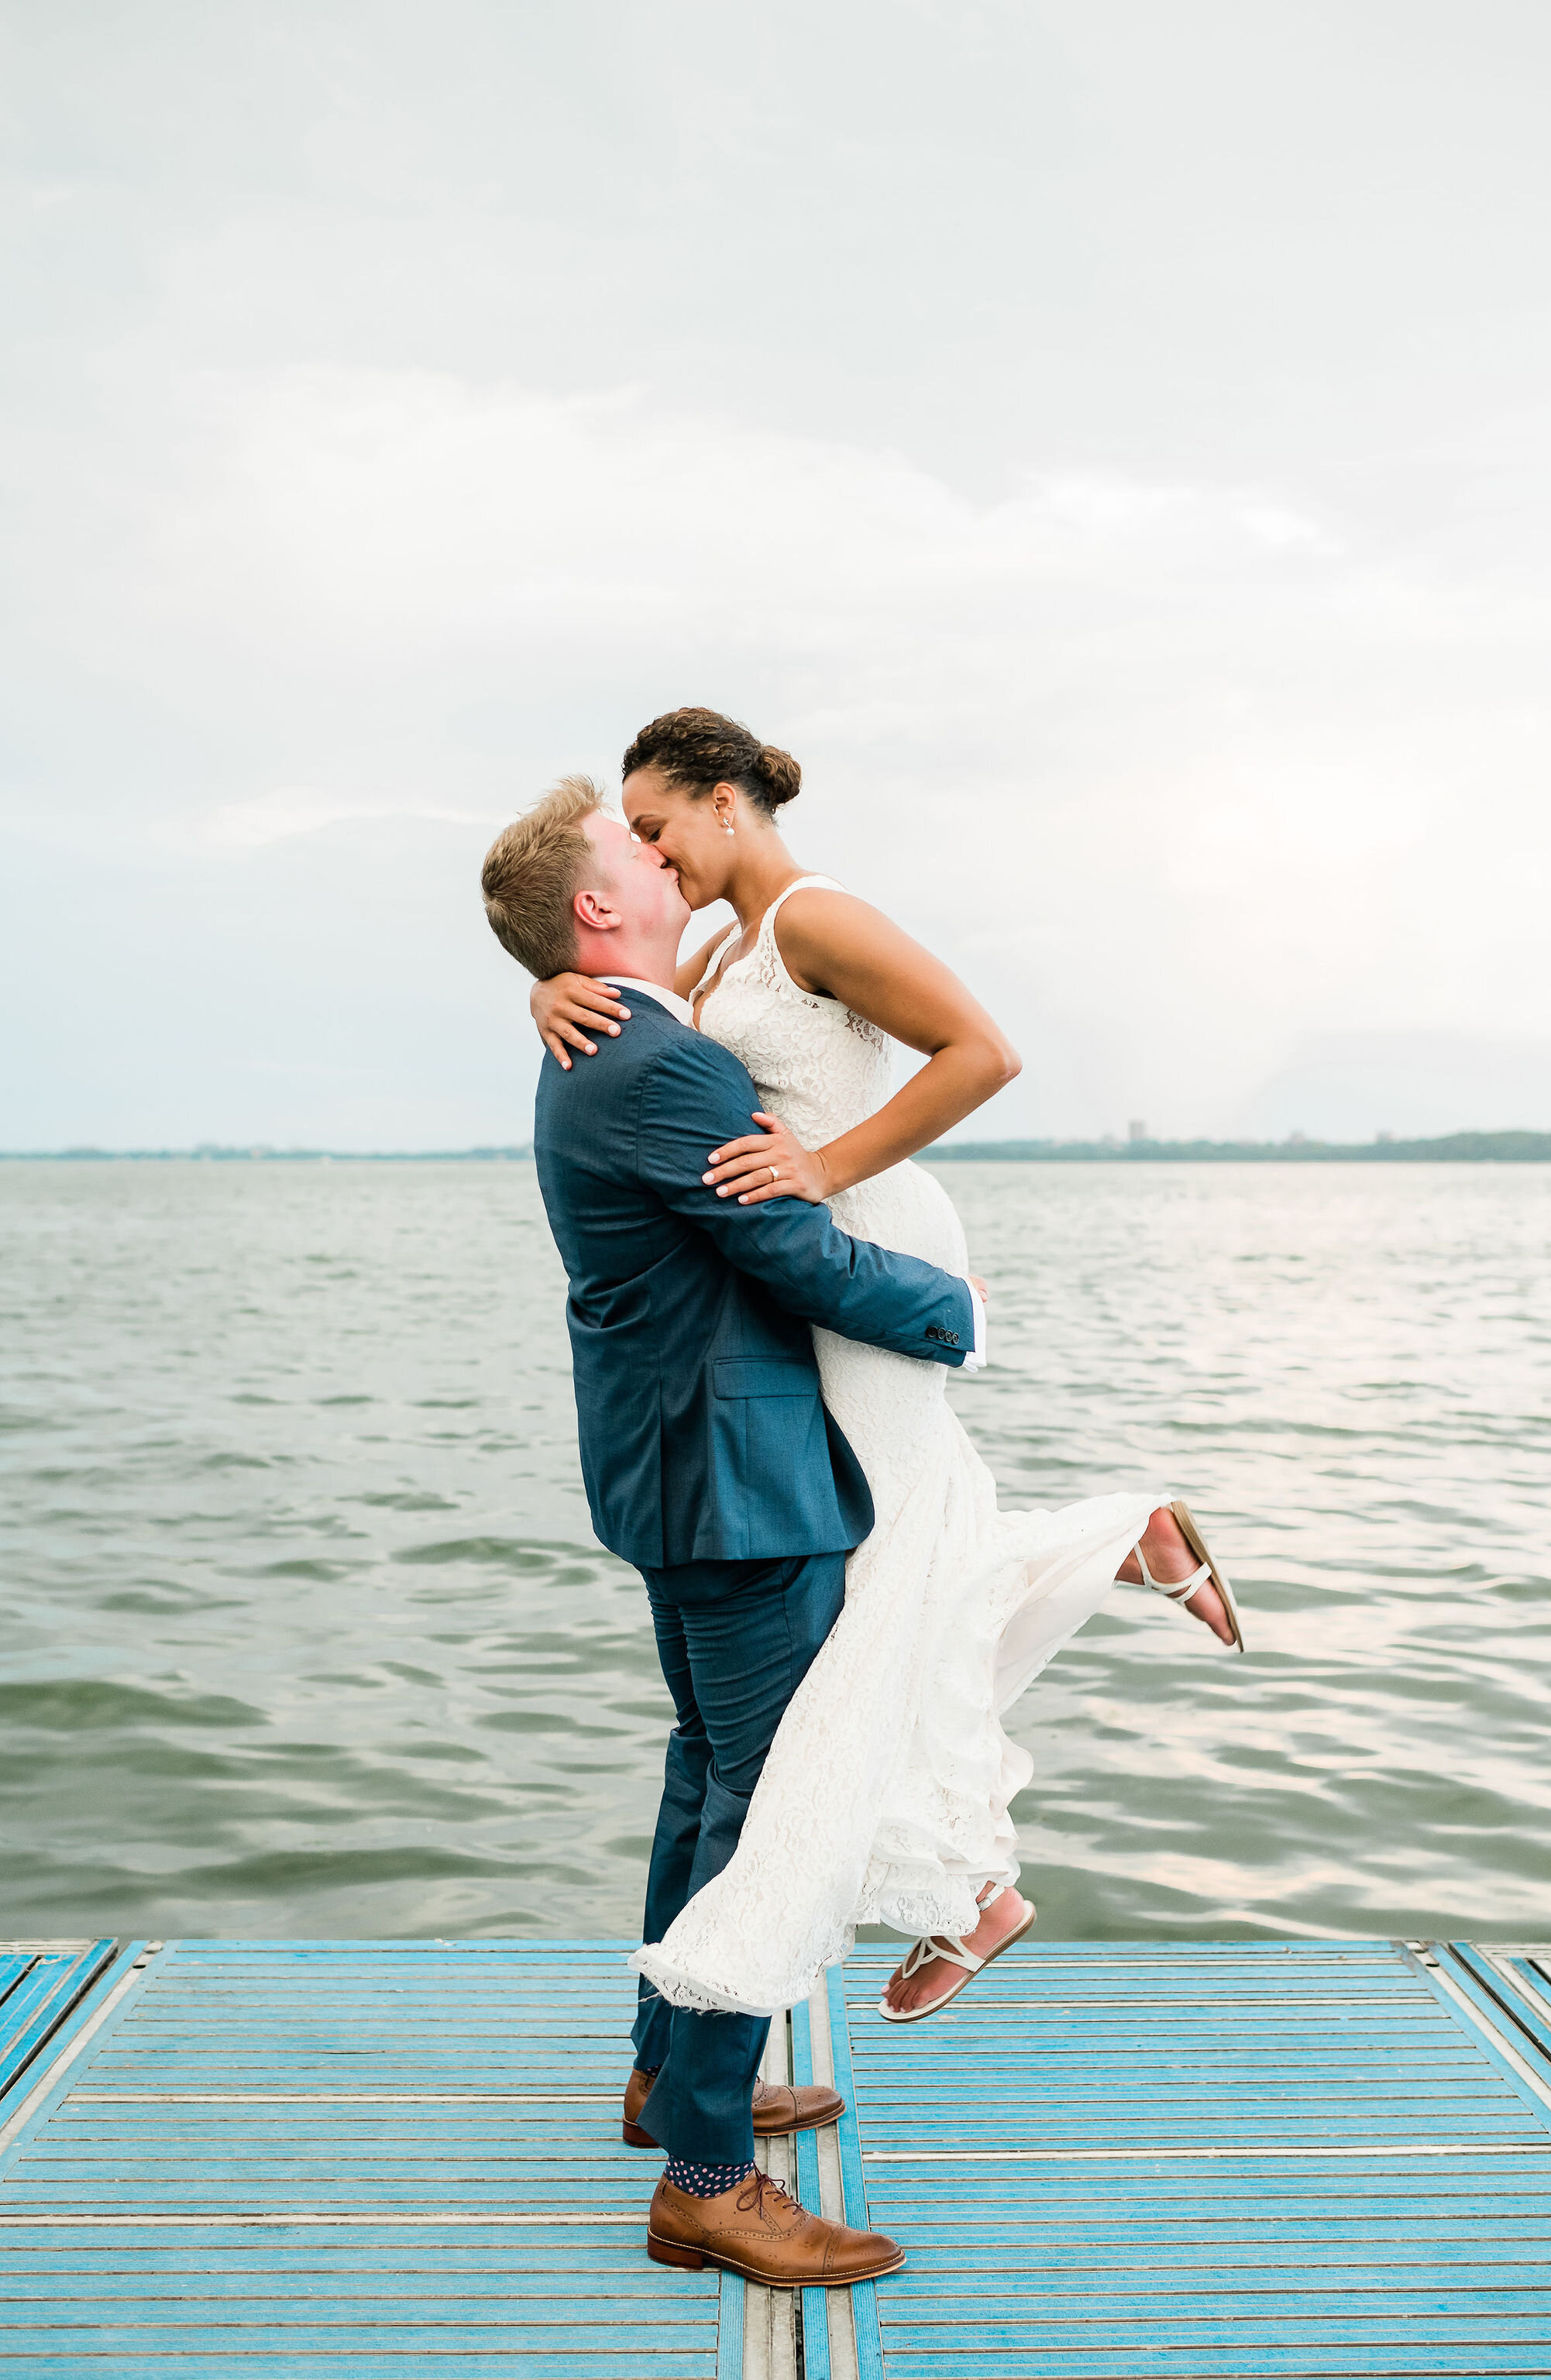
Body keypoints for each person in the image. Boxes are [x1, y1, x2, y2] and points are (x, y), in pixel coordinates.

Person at [528, 708, 1241, 2034]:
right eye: (629, 838)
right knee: (897, 1560)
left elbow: (985, 1052)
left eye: (656, 823)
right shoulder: (733, 939)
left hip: (859, 1237)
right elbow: (648, 1020)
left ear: (726, 800)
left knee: (895, 1565)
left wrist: (826, 1167)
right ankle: (1105, 1580)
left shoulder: (811, 916)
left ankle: (970, 1882)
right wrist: (543, 982)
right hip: (812, 1246)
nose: (648, 850)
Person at [481, 775, 990, 2288]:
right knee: (766, 1809)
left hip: (669, 1468)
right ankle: (708, 2174)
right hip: (733, 1478)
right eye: (626, 853)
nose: (652, 857)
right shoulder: (651, 1064)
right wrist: (953, 1309)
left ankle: (665, 2078)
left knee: (710, 1770)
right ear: (592, 911)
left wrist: (548, 991)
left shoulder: (601, 1038)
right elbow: (791, 1248)